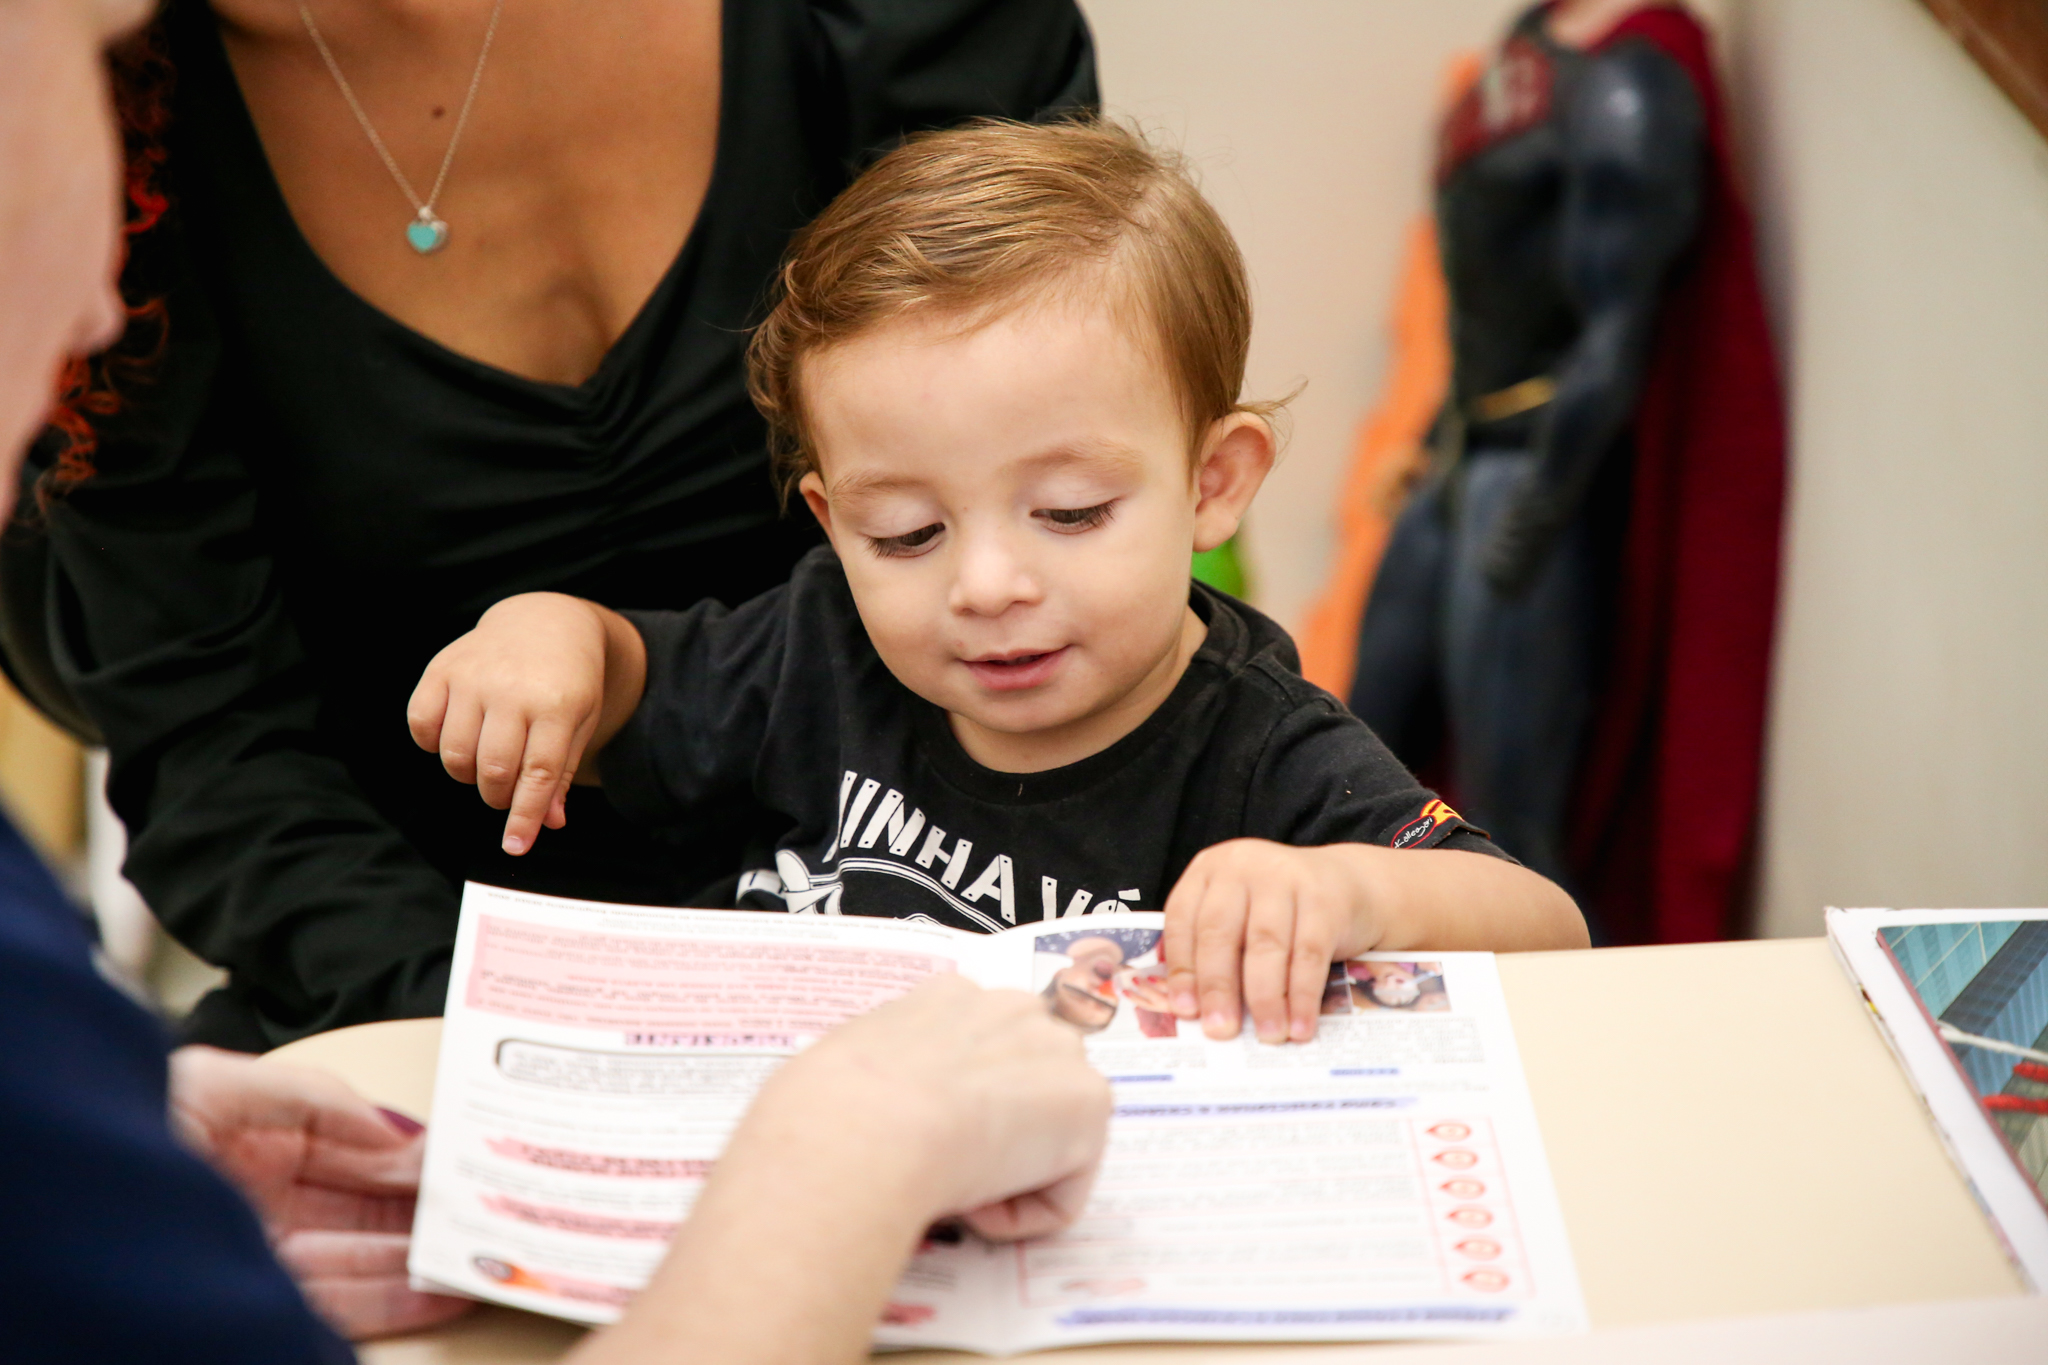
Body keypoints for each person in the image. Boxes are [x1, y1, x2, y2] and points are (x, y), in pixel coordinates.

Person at [3, 4, 1110, 1360]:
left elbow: (1072, 482)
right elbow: (212, 745)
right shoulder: (108, 113)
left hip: (935, 933)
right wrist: (560, 1074)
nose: (87, 315)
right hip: (412, 1008)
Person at [408, 120, 1591, 1053]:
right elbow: (627, 689)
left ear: (1212, 484)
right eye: (905, 533)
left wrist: (1342, 892)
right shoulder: (823, 642)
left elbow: (1549, 931)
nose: (983, 585)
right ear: (830, 522)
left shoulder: (1257, 750)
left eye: (1069, 512)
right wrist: (551, 634)